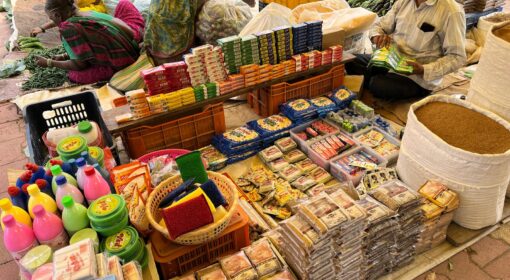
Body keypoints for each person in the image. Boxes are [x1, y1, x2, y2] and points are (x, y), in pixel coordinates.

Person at [346, 0, 467, 100]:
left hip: (418, 77)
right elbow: (379, 26)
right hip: (391, 62)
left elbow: (457, 57)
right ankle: (379, 78)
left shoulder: (452, 11)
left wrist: (423, 69)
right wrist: (377, 36)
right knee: (351, 61)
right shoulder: (403, 2)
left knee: (378, 85)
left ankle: (378, 81)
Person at [33, 0, 145, 84]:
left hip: (124, 62)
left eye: (51, 18)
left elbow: (79, 65)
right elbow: (98, 43)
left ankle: (116, 69)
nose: (52, 21)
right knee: (123, 4)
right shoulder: (88, 13)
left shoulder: (69, 28)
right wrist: (64, 56)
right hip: (133, 42)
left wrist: (49, 63)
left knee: (74, 75)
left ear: (57, 15)